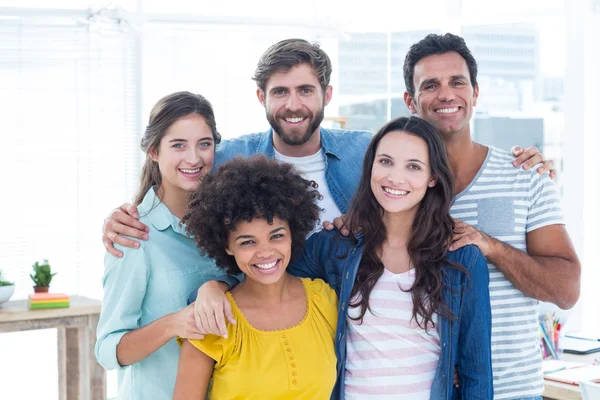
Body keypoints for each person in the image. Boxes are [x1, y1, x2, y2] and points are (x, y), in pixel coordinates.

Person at [101, 38, 552, 260]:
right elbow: (180, 174)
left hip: (353, 326)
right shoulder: (231, 159)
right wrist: (128, 211)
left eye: (305, 91)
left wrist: (532, 163)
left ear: (327, 95)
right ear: (262, 97)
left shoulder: (367, 152)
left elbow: (424, 165)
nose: (293, 105)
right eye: (280, 93)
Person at [195, 117, 493, 399]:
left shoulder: (462, 259)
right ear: (370, 167)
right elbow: (265, 271)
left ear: (432, 178)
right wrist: (215, 286)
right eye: (385, 162)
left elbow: (476, 370)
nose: (395, 177)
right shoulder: (334, 249)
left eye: (413, 166)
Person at [398, 33, 580, 400]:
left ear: (475, 93)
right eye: (430, 85)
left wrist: (490, 246)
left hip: (512, 390)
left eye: (457, 82)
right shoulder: (396, 188)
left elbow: (565, 291)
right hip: (421, 388)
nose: (446, 94)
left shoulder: (525, 176)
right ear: (410, 102)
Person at [94, 91, 237, 400]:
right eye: (178, 145)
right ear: (154, 151)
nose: (194, 158)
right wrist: (174, 323)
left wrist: (218, 285)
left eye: (204, 144)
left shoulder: (227, 225)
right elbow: (107, 350)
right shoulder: (134, 235)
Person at [172, 155, 338, 400]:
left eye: (277, 236)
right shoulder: (212, 320)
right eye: (248, 242)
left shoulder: (324, 299)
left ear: (293, 233)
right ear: (226, 246)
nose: (266, 252)